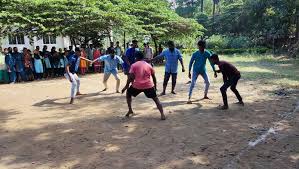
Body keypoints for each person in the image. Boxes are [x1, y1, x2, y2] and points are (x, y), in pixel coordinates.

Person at [121, 51, 166, 120]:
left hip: (137, 86)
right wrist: (155, 87)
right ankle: (162, 114)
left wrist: (126, 86)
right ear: (142, 57)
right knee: (156, 99)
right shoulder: (149, 65)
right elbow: (154, 77)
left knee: (128, 93)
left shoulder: (134, 65)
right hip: (148, 85)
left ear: (136, 57)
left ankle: (130, 109)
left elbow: (130, 78)